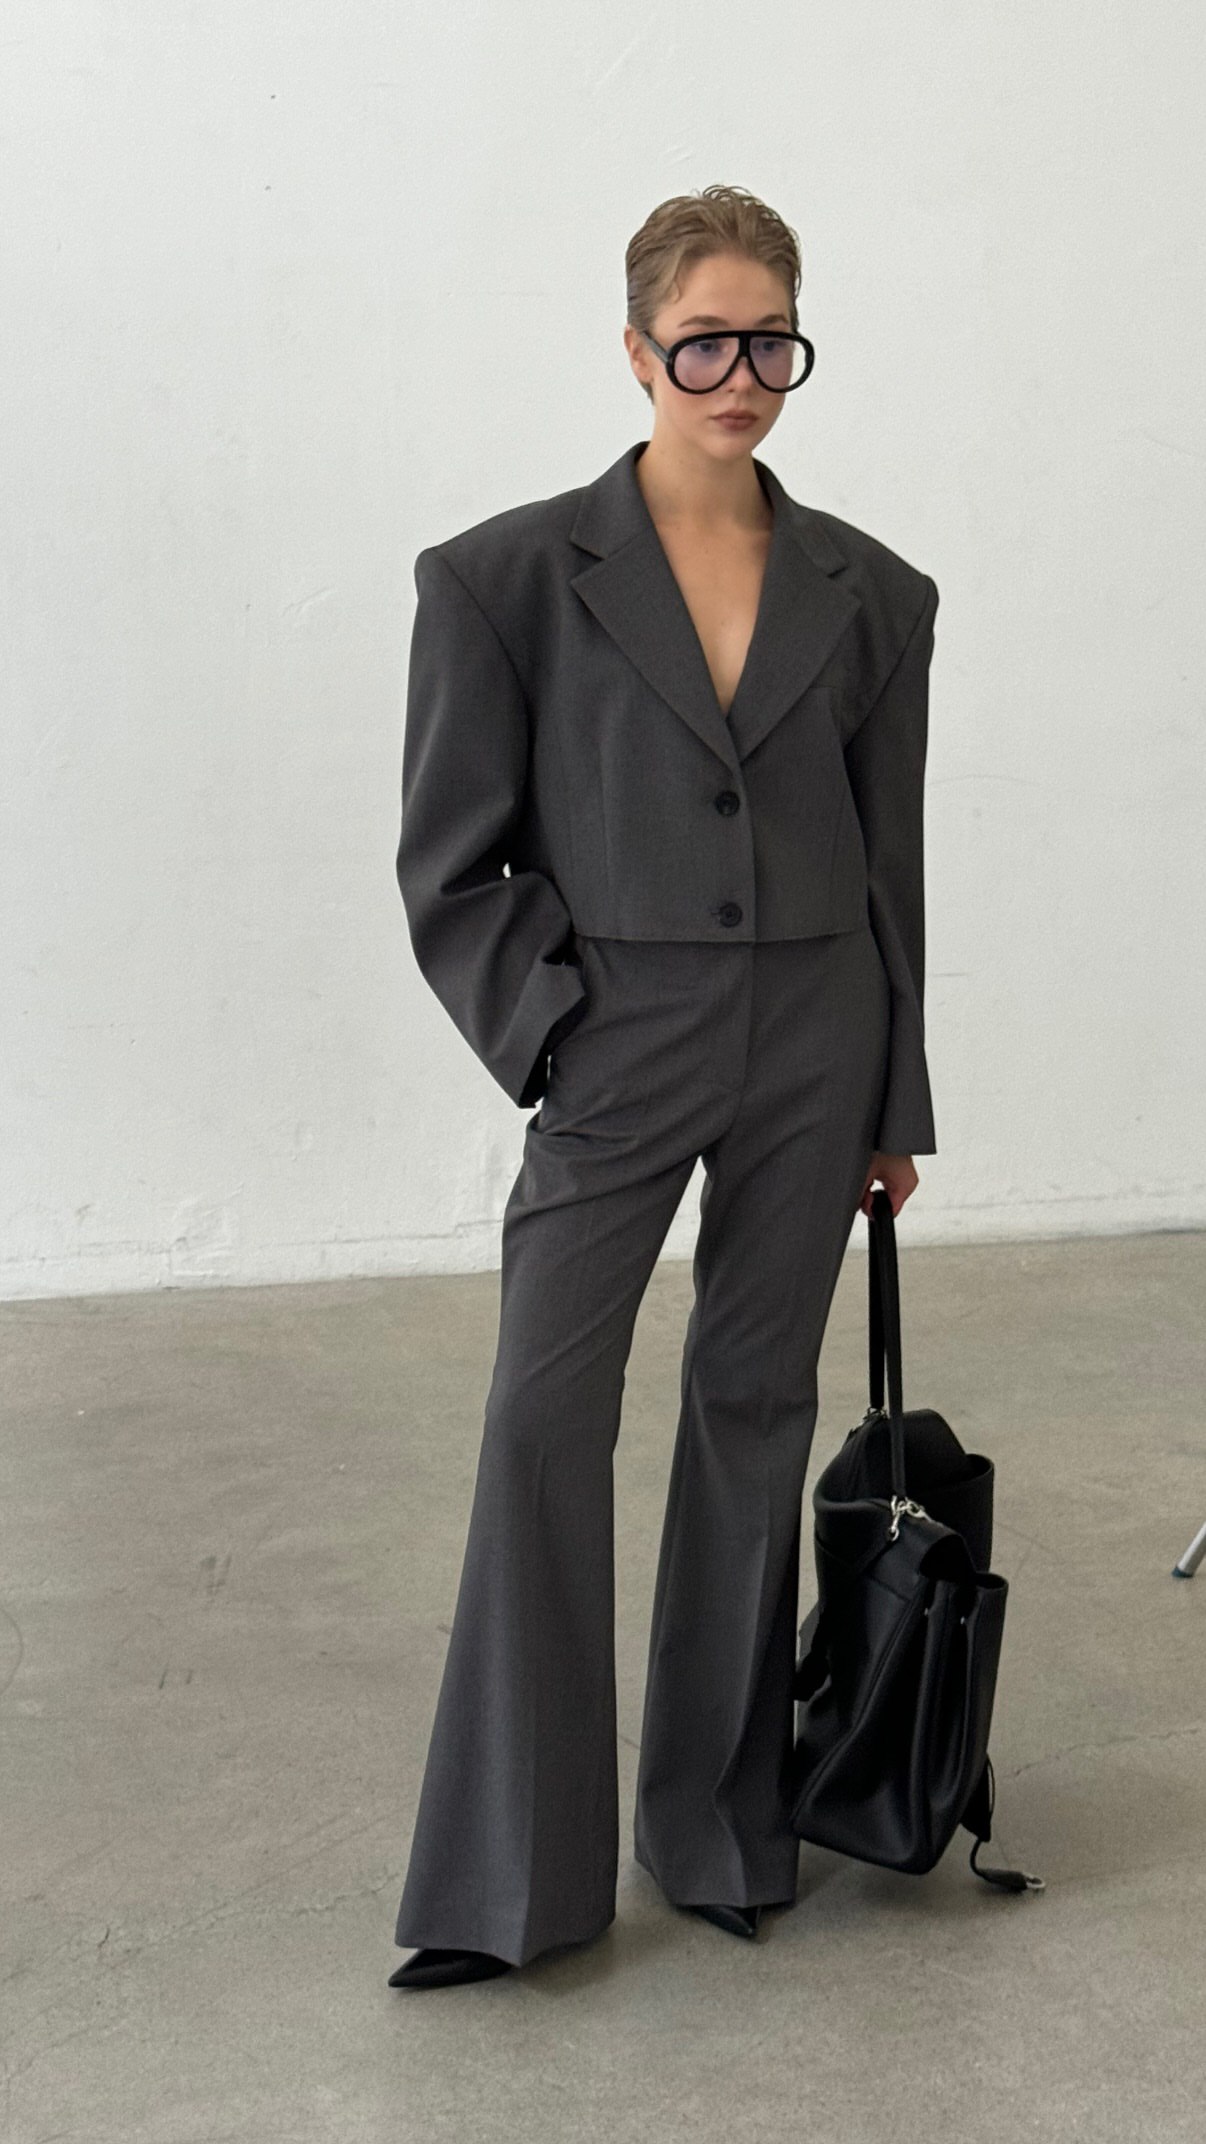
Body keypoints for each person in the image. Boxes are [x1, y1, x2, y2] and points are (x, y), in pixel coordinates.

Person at [388, 184, 939, 1989]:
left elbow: (889, 861)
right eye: (704, 343)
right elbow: (451, 860)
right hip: (618, 1036)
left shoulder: (874, 590)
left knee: (752, 1413)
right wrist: (555, 1035)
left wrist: (893, 1101)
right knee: (541, 1420)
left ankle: (719, 1825)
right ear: (636, 352)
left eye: (769, 340)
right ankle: (509, 1884)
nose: (740, 375)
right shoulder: (501, 578)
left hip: (817, 1036)